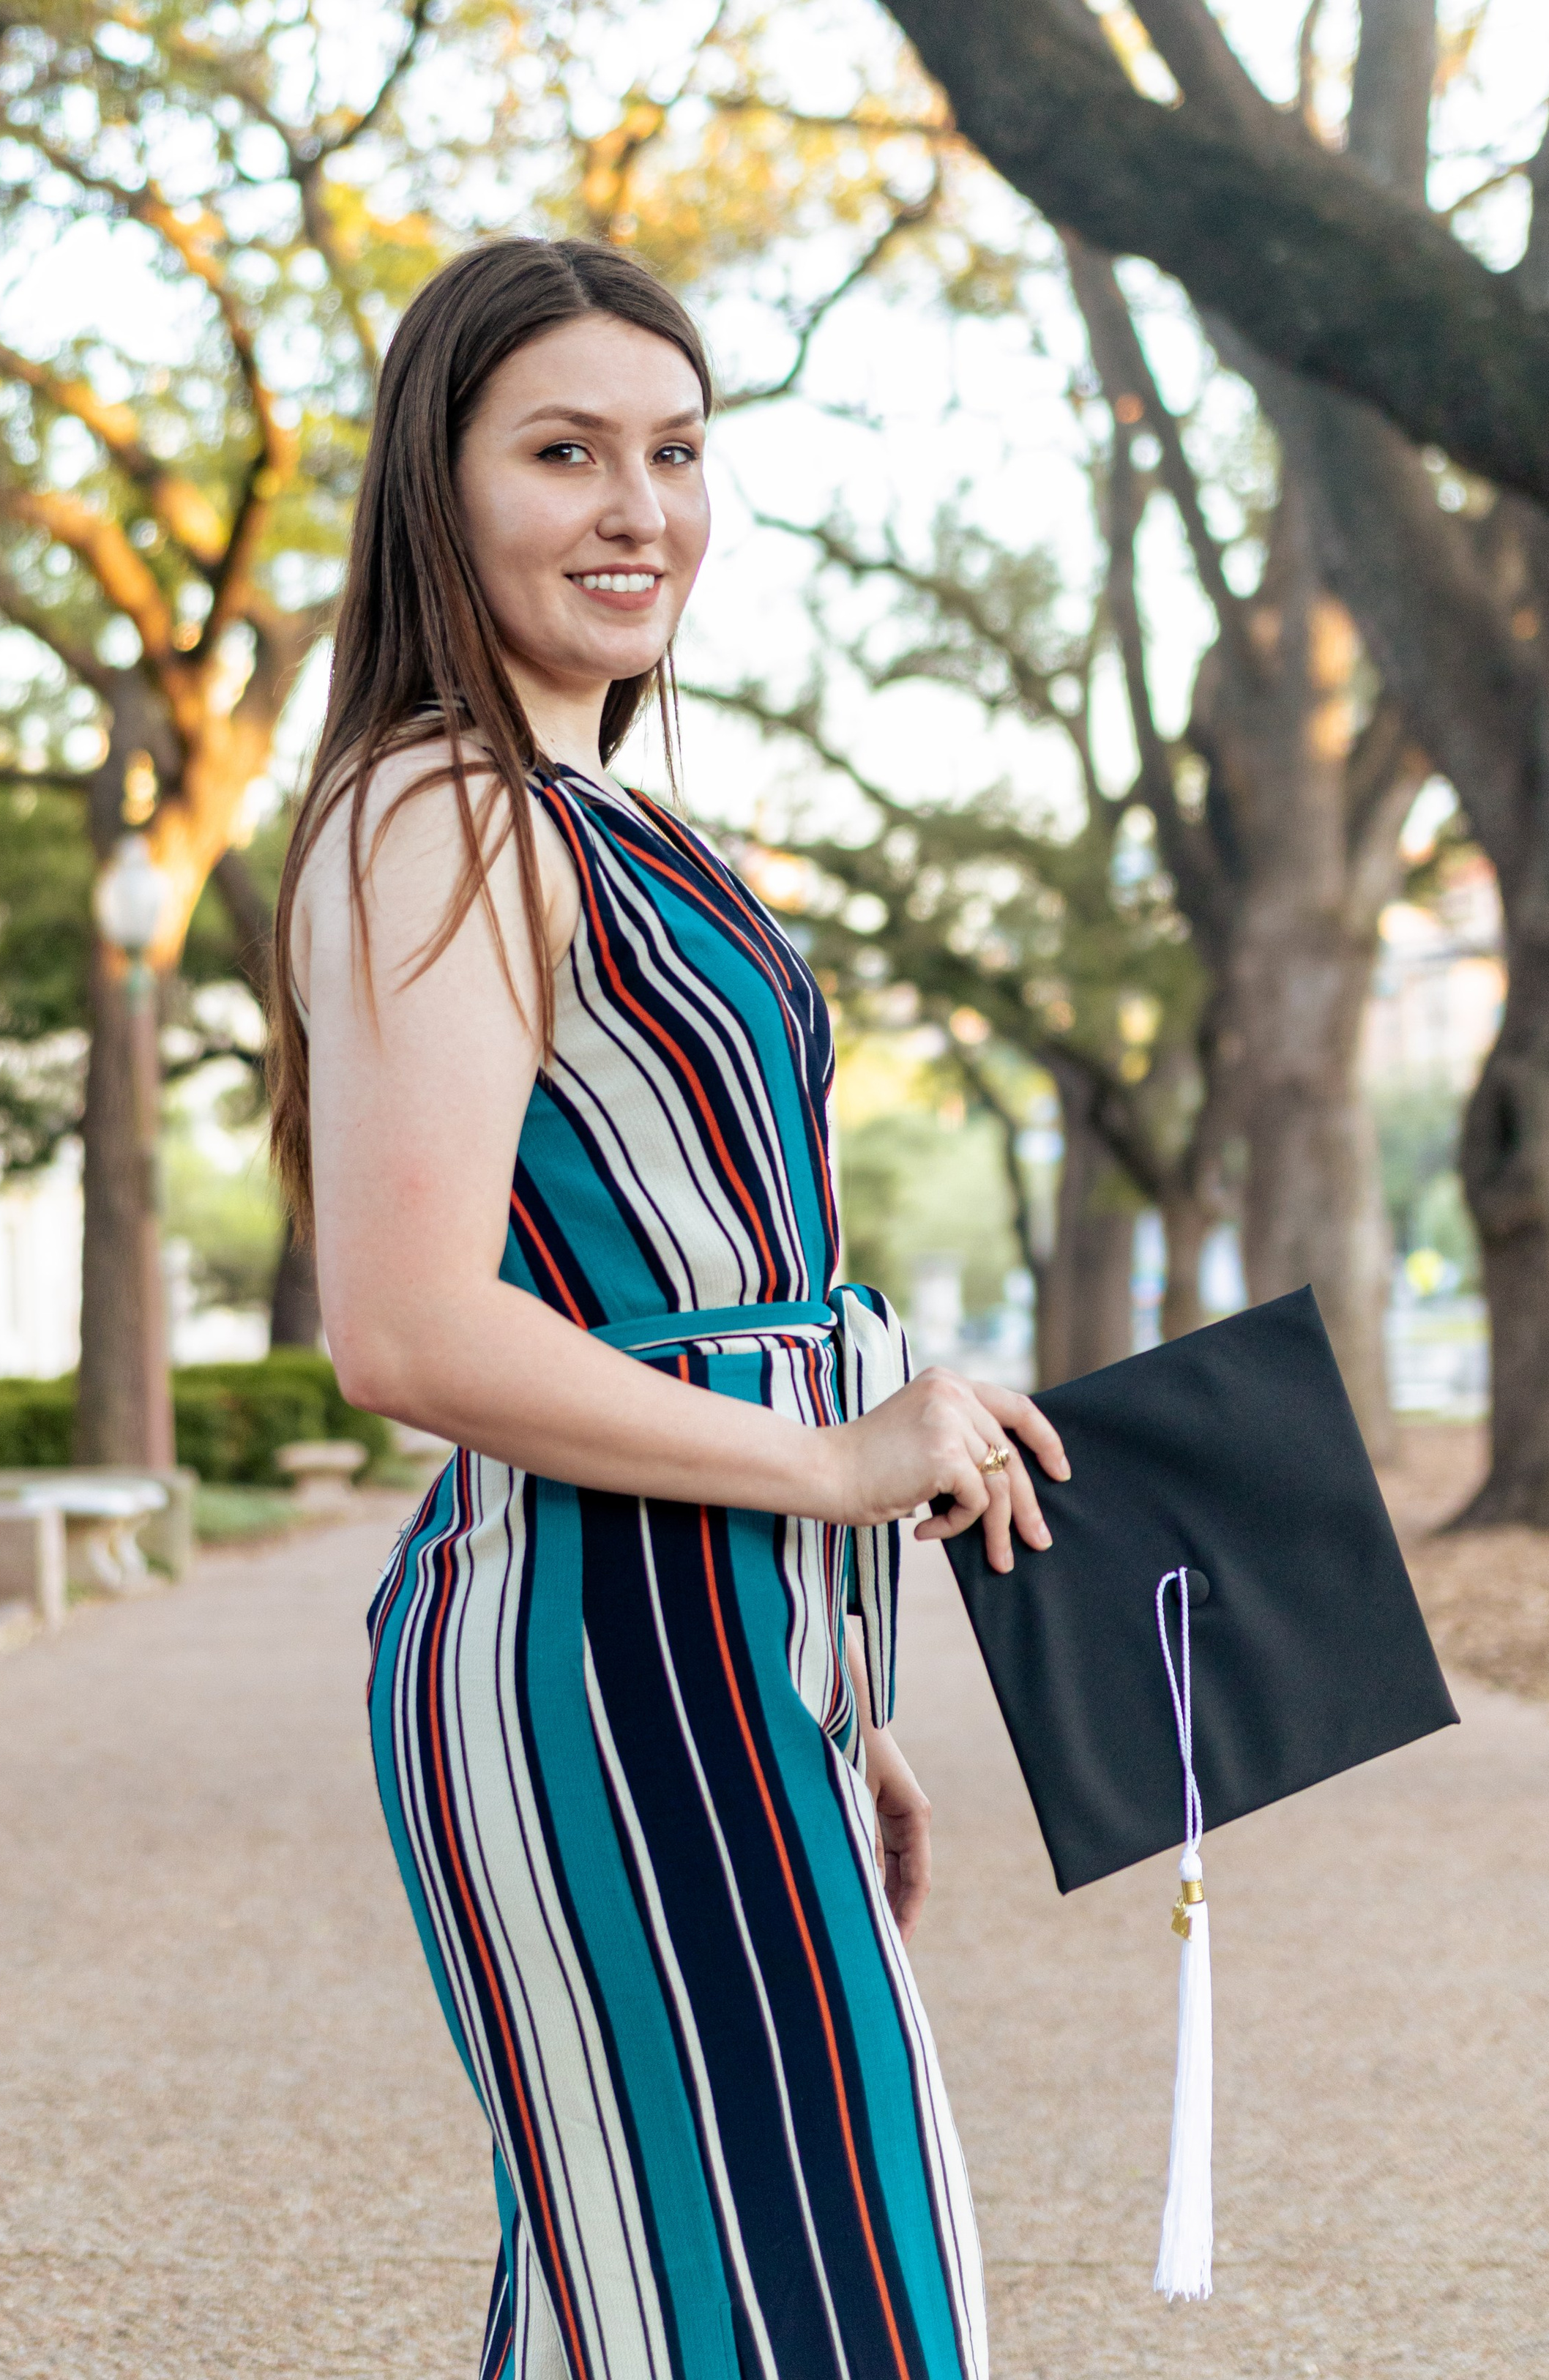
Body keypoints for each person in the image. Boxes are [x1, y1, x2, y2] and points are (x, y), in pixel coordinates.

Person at [270, 236, 1067, 2380]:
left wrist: (849, 1673)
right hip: (612, 1663)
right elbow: (410, 1325)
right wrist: (828, 1458)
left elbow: (713, 1282)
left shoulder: (610, 819)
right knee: (799, 2312)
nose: (640, 509)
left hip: (731, 1650)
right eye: (564, 452)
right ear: (440, 494)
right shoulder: (445, 812)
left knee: (705, 2297)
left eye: (678, 451)